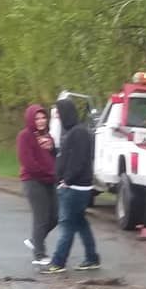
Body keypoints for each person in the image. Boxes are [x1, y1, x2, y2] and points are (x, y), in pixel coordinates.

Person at [41, 98, 100, 273]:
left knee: (66, 224)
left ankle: (58, 262)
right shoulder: (71, 132)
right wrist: (52, 149)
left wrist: (67, 180)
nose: (57, 118)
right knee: (81, 224)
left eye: (58, 114)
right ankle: (92, 258)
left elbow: (79, 160)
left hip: (74, 188)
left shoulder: (79, 133)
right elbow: (65, 156)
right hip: (74, 186)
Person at [16, 104, 58, 265]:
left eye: (43, 117)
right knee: (41, 217)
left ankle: (35, 240)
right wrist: (47, 173)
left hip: (49, 180)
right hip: (32, 180)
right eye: (37, 118)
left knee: (55, 216)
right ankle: (39, 255)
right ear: (30, 119)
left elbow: (54, 158)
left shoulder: (48, 136)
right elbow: (27, 162)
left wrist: (52, 148)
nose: (41, 121)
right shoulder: (24, 136)